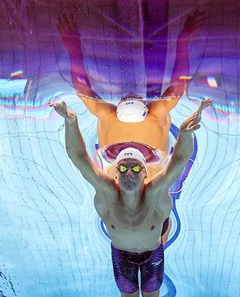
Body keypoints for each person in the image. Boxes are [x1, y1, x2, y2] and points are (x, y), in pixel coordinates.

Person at [50, 97, 212, 297]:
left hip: (152, 254)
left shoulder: (156, 191)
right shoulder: (105, 191)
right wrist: (70, 121)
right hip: (122, 255)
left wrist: (186, 134)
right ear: (113, 172)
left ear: (145, 173)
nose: (128, 173)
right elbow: (78, 157)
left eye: (135, 169)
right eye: (123, 168)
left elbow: (178, 160)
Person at [56, 11, 206, 179]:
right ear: (145, 108)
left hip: (136, 169)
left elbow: (81, 87)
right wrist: (183, 40)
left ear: (118, 108)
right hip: (143, 169)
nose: (131, 93)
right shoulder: (154, 114)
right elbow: (179, 85)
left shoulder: (109, 115)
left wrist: (73, 48)